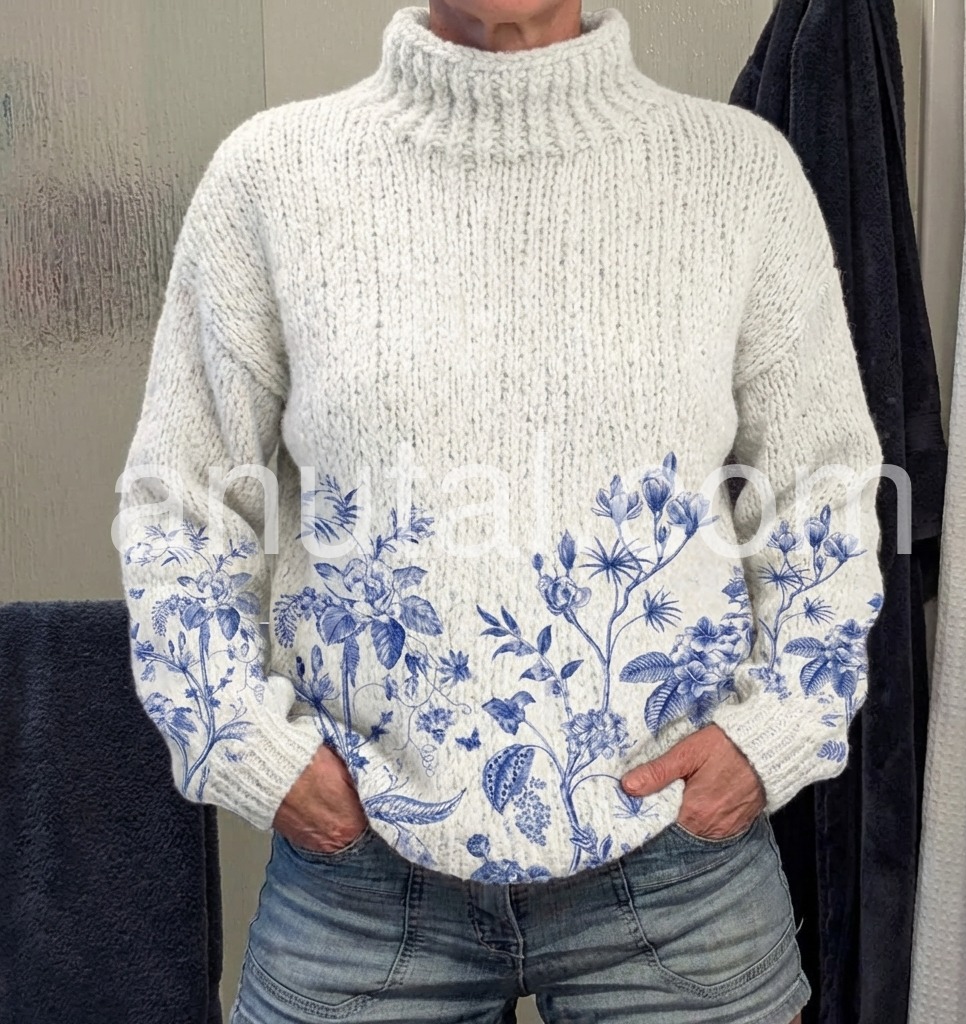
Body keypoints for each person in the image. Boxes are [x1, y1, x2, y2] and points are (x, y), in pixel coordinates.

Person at [115, 2, 886, 1021]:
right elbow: (179, 505)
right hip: (361, 877)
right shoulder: (273, 176)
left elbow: (821, 491)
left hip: (676, 875)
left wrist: (775, 731)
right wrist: (248, 746)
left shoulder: (738, 175)